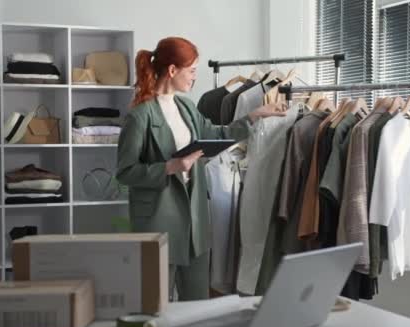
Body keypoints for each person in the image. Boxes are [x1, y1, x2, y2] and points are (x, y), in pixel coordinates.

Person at [116, 37, 286, 300]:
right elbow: (125, 172)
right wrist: (170, 167)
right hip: (158, 219)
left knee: (197, 300)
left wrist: (255, 115)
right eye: (192, 71)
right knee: (155, 301)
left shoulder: (185, 107)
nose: (195, 78)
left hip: (194, 219)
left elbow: (215, 134)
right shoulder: (140, 116)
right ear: (172, 70)